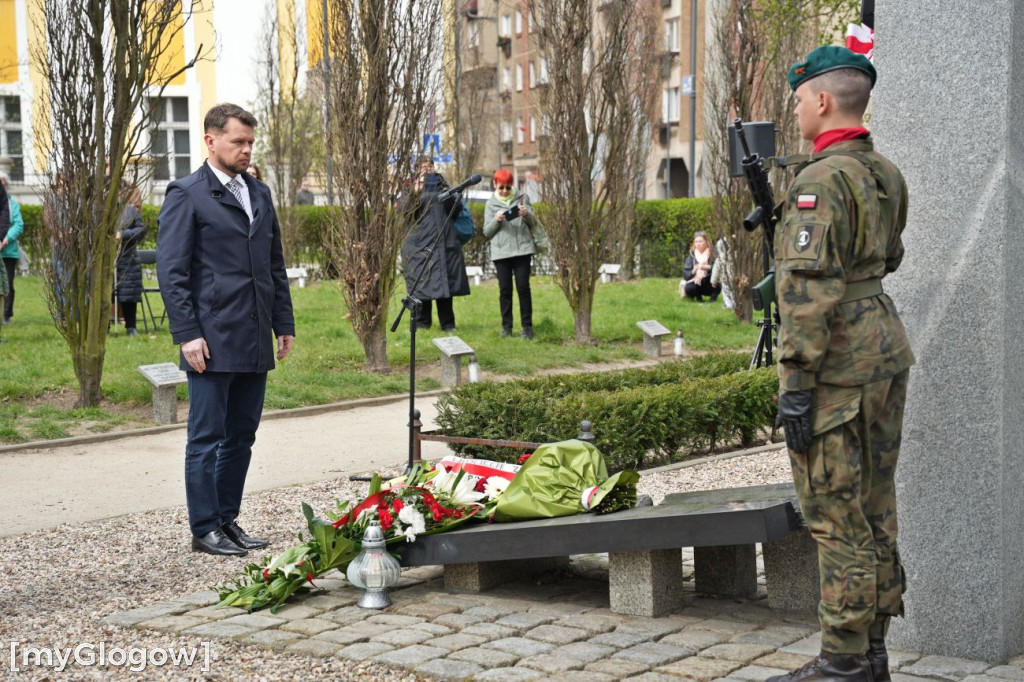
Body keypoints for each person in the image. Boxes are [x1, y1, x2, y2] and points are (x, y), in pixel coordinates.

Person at [767, 46, 915, 682]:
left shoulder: (820, 182)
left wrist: (795, 385)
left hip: (837, 365)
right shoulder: (884, 172)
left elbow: (806, 294)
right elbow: (892, 257)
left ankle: (843, 664)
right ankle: (873, 650)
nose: (798, 109)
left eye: (800, 98)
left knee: (834, 513)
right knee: (876, 504)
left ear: (822, 101)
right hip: (883, 351)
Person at [157, 103, 295, 557]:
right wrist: (186, 333)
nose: (245, 149)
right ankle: (204, 528)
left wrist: (284, 322)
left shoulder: (259, 192)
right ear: (211, 140)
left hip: (254, 335)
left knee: (242, 435)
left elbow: (273, 264)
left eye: (250, 142)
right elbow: (172, 272)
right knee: (206, 438)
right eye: (238, 141)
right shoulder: (186, 194)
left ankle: (227, 520)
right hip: (210, 339)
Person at [400, 155, 469, 331]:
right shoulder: (409, 187)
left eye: (430, 166)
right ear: (417, 170)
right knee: (422, 283)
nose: (428, 170)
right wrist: (416, 192)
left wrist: (444, 193)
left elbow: (456, 209)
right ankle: (423, 323)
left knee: (444, 285)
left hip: (443, 243)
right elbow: (404, 212)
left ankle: (448, 324)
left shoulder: (443, 185)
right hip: (420, 245)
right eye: (423, 167)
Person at [483, 169, 547, 339]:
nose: (505, 190)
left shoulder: (522, 198)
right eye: (501, 187)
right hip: (501, 253)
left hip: (522, 250)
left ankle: (527, 327)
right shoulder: (490, 204)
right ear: (495, 185)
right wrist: (496, 220)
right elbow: (486, 232)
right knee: (505, 291)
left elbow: (534, 222)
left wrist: (527, 214)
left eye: (508, 187)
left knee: (523, 288)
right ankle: (507, 328)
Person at [113, 184, 147, 336]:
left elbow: (141, 230)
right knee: (105, 294)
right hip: (105, 261)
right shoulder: (98, 212)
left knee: (129, 293)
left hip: (127, 258)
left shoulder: (130, 211)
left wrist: (123, 234)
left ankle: (131, 326)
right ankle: (104, 327)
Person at [0, 173, 21, 324]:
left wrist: (5, 240)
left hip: (8, 251)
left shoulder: (12, 204)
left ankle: (6, 314)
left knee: (7, 283)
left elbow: (18, 224)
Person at [680, 231, 720, 302]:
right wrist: (693, 271)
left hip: (709, 282)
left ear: (706, 242)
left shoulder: (713, 254)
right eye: (696, 242)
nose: (698, 244)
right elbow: (686, 275)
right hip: (696, 283)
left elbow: (719, 269)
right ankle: (698, 297)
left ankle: (713, 298)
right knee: (689, 288)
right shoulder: (692, 256)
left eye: (700, 241)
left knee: (715, 281)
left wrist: (707, 267)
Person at [709, 236, 734, 310]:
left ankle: (728, 304)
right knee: (733, 293)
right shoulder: (735, 257)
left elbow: (716, 271)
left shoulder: (719, 259)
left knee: (726, 293)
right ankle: (733, 304)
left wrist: (713, 281)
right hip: (734, 279)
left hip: (724, 280)